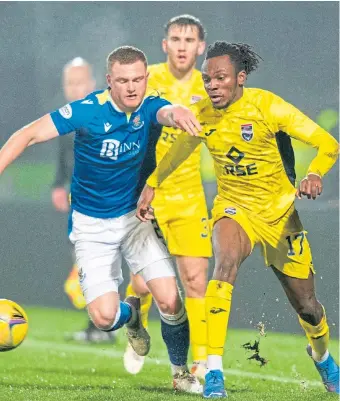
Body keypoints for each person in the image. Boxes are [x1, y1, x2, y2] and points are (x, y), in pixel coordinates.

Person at [136, 41, 340, 398]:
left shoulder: (268, 106)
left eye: (220, 78)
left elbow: (328, 144)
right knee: (224, 263)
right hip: (234, 208)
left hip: (278, 214)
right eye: (206, 79)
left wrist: (315, 174)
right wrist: (152, 183)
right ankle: (214, 372)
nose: (212, 85)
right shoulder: (203, 115)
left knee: (307, 306)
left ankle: (323, 358)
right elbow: (178, 151)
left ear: (240, 78)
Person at [0, 46, 203, 393]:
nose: (131, 88)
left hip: (133, 218)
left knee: (170, 299)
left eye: (138, 79)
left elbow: (168, 112)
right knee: (104, 317)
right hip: (91, 226)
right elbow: (28, 134)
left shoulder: (150, 106)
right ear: (109, 81)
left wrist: (180, 112)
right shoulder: (87, 111)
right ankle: (132, 316)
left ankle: (180, 372)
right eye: (123, 80)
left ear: (146, 79)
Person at [124, 14, 212, 379]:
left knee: (195, 279)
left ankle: (202, 362)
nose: (181, 46)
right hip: (147, 191)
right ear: (164, 45)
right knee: (144, 283)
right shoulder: (148, 79)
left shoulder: (210, 85)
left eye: (189, 40)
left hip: (188, 195)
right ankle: (135, 323)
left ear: (200, 47)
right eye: (175, 39)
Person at [52, 57, 115, 343]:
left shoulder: (102, 114)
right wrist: (58, 184)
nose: (75, 88)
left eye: (80, 82)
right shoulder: (66, 118)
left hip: (104, 200)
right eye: (70, 83)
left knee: (99, 261)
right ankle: (96, 324)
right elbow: (64, 155)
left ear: (92, 83)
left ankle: (107, 323)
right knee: (81, 261)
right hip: (78, 200)